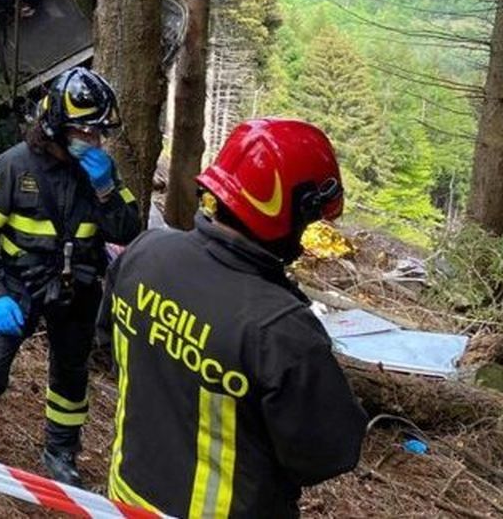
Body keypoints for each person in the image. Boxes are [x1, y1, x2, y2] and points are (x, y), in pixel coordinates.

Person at [103, 118, 365, 517]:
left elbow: (110, 342)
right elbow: (327, 454)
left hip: (125, 500)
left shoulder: (145, 252)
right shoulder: (281, 329)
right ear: (287, 214)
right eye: (308, 221)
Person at [0, 66, 141, 485]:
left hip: (77, 289)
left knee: (70, 374)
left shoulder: (102, 173)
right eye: (87, 131)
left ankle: (61, 451)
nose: (96, 141)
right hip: (17, 285)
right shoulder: (12, 167)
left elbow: (127, 232)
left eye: (101, 132)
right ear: (57, 127)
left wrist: (106, 189)